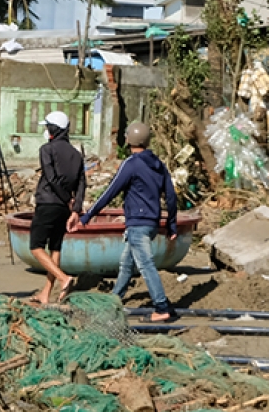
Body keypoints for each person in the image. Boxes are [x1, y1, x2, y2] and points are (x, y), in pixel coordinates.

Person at [74, 122, 180, 323]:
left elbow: (109, 192)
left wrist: (87, 216)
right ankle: (115, 299)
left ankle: (162, 306)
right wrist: (171, 223)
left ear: (128, 140)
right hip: (151, 223)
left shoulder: (131, 164)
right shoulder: (158, 164)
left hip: (137, 224)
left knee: (145, 265)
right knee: (127, 263)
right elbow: (171, 197)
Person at [29, 111, 86, 305]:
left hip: (47, 202)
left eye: (47, 127)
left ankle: (63, 278)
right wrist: (75, 208)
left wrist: (66, 200)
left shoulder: (47, 149)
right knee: (55, 247)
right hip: (63, 209)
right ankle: (46, 292)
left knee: (36, 247)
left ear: (53, 129)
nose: (46, 130)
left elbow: (51, 178)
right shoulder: (76, 154)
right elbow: (81, 184)